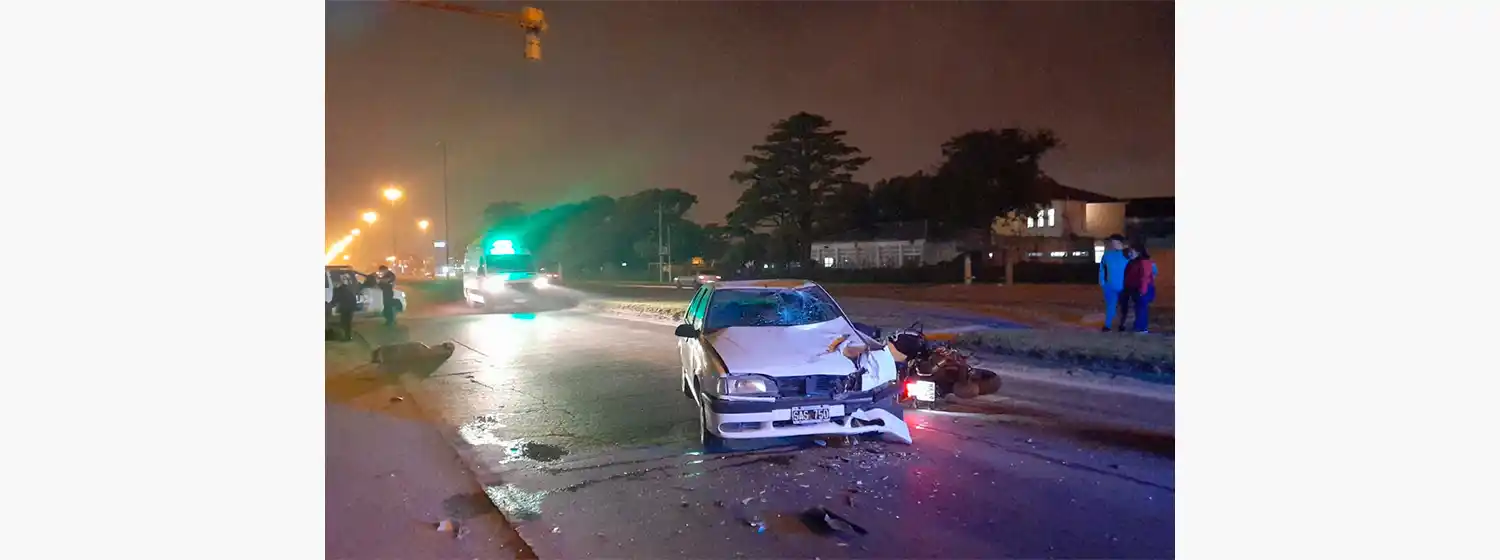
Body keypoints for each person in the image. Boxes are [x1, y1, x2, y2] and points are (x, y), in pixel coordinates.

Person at [1097, 234, 1130, 332]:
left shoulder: (1127, 254)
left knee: (1123, 307)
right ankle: (1107, 325)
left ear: (1120, 243)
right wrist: (1102, 282)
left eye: (1114, 242)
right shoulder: (1107, 255)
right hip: (1110, 286)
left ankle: (1122, 324)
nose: (1112, 244)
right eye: (1112, 242)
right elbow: (1102, 269)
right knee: (1110, 306)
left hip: (1124, 286)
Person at [1121, 247, 1158, 333]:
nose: (1130, 254)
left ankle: (1142, 328)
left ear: (1138, 253)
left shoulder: (1144, 262)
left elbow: (1145, 277)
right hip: (1135, 288)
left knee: (1141, 308)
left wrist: (1143, 290)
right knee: (1138, 308)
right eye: (1129, 252)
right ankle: (1139, 326)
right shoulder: (1132, 262)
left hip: (1143, 288)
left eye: (1132, 252)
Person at [332, 275, 359, 341]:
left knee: (344, 323)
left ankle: (346, 337)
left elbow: (336, 299)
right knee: (348, 323)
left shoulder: (338, 290)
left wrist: (330, 304)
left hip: (345, 307)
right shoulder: (349, 288)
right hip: (350, 307)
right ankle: (348, 336)